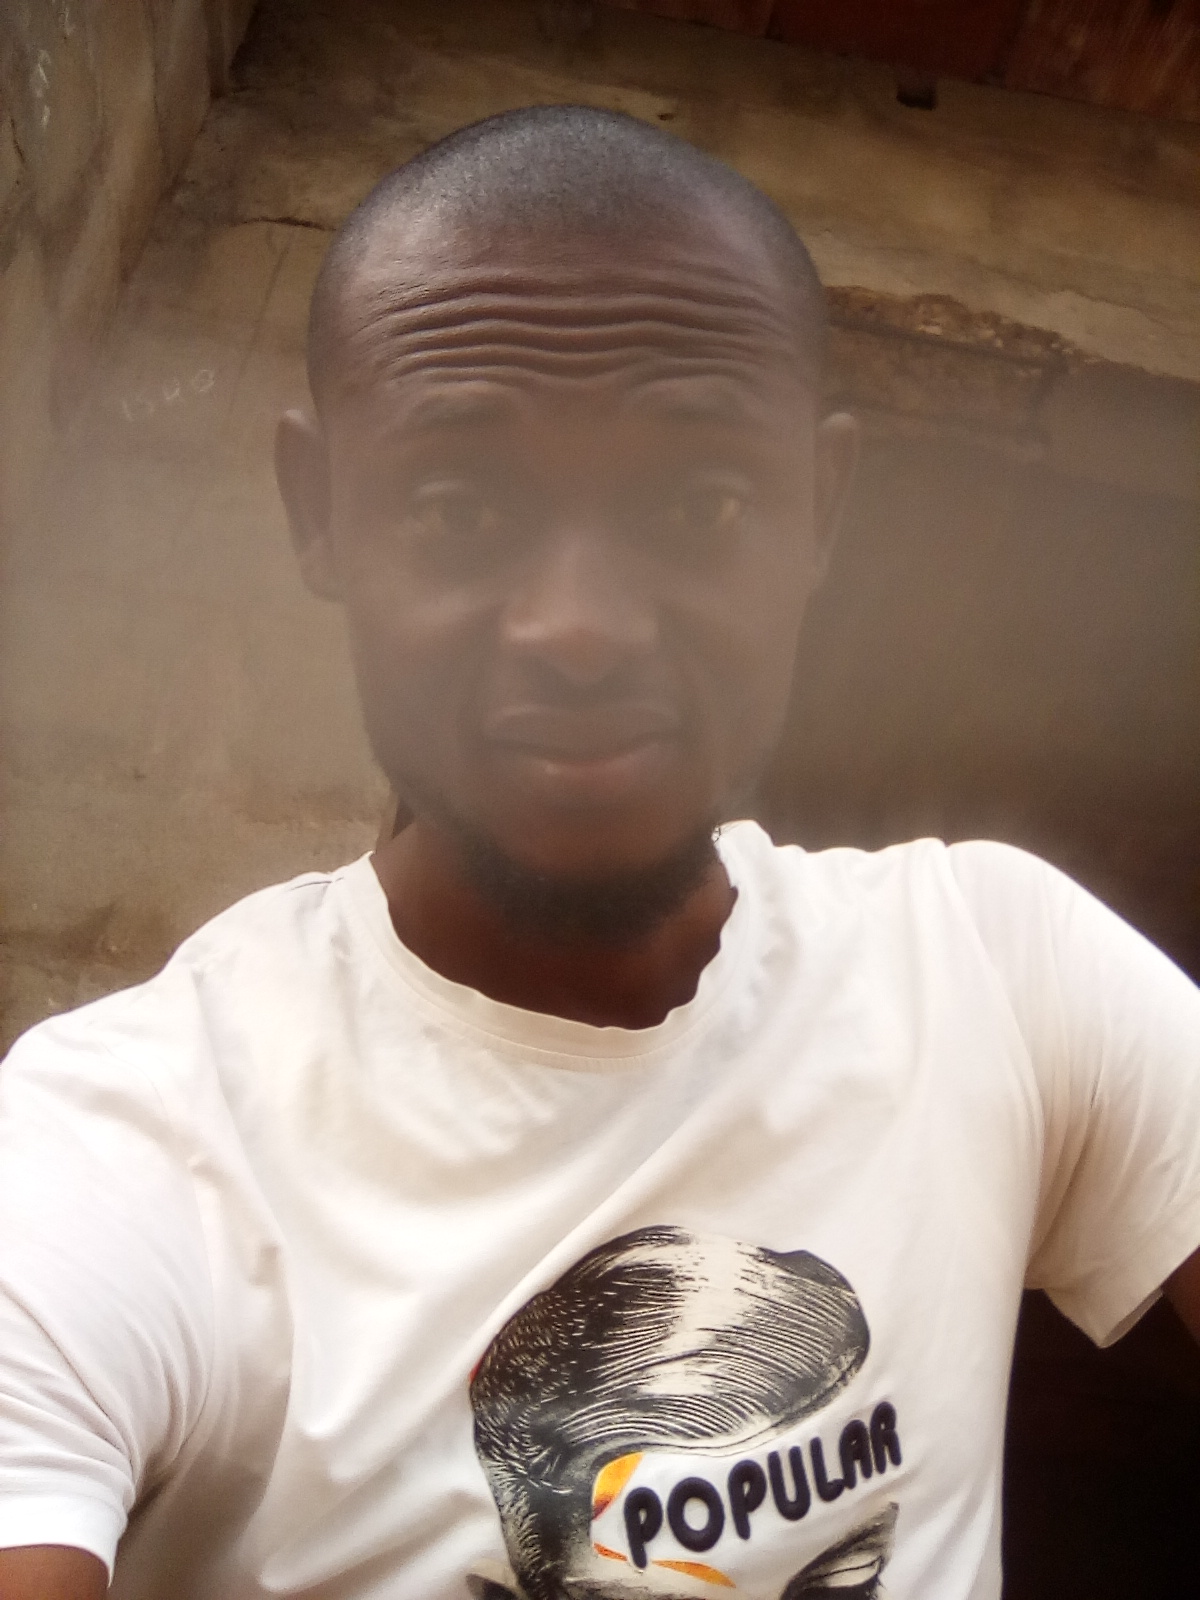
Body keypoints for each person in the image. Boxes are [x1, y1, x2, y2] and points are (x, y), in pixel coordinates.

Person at [0, 105, 1197, 1600]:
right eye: (460, 506)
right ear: (321, 514)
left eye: (700, 503)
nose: (580, 627)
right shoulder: (126, 1145)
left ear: (818, 511)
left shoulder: (987, 972)